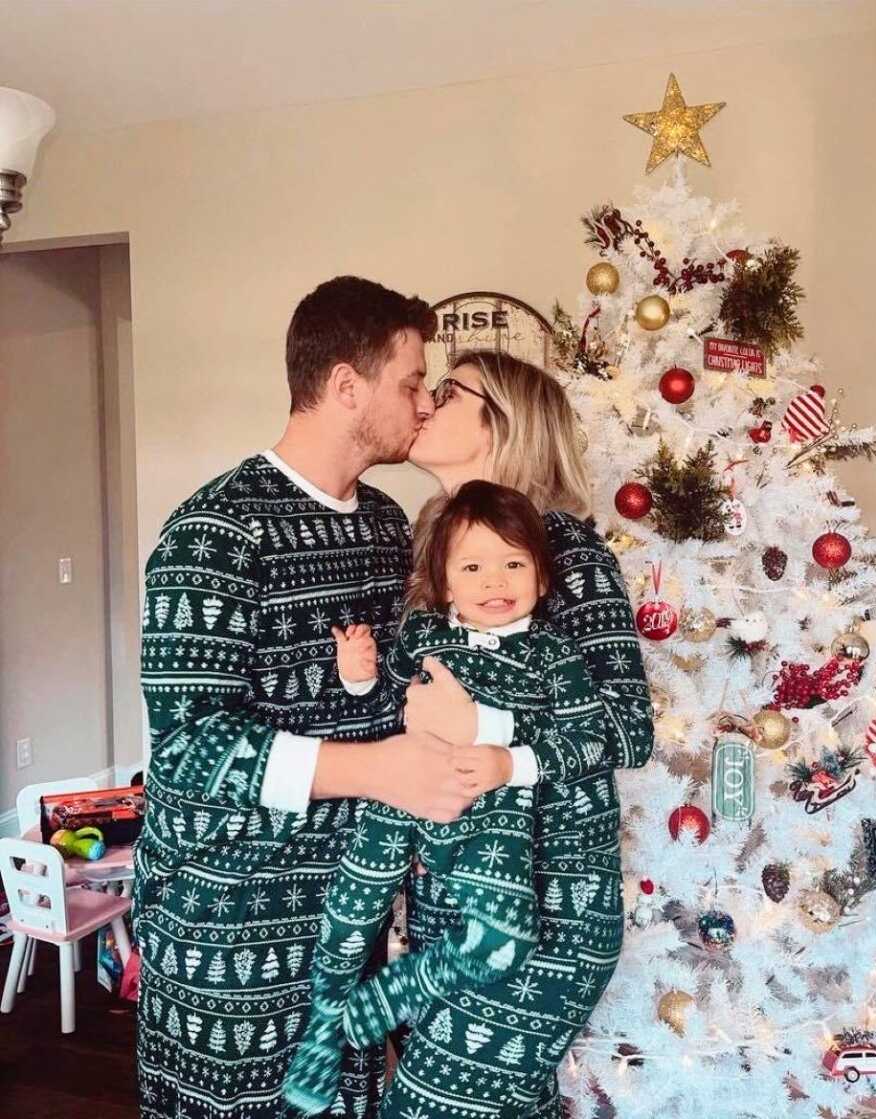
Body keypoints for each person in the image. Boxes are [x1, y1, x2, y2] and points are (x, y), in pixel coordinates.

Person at [133, 280, 513, 1119]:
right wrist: (378, 770)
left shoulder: (385, 524)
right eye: (412, 383)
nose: (423, 403)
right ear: (347, 387)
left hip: (348, 918)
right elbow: (188, 748)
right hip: (225, 923)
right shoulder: (213, 533)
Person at [372, 349, 656, 1118]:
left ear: (503, 420)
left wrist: (487, 729)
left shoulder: (564, 547)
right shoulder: (435, 552)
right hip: (452, 913)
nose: (427, 400)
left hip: (549, 917)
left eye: (450, 390)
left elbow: (628, 729)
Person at [283, 481, 621, 1115]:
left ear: (542, 579)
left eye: (514, 563)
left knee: (499, 942)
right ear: (442, 584)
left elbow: (593, 738)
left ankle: (378, 1004)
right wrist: (359, 678)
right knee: (354, 905)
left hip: (492, 819)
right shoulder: (423, 636)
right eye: (472, 566)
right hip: (404, 797)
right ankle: (326, 1023)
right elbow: (389, 706)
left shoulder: (554, 655)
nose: (495, 580)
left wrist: (509, 759)